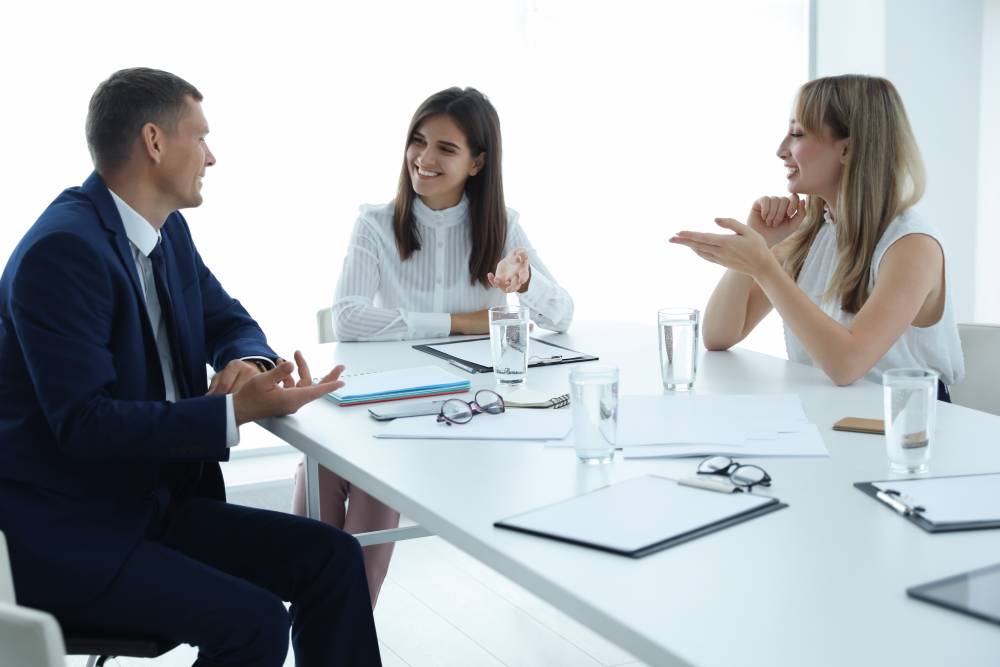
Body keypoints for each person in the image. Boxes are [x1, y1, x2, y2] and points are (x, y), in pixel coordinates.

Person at [0, 68, 381, 666]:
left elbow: (229, 320)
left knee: (332, 557)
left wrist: (246, 364)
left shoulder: (165, 230)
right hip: (74, 531)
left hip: (151, 504)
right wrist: (231, 413)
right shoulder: (64, 251)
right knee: (253, 623)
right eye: (200, 138)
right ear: (154, 142)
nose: (212, 156)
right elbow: (85, 426)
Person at [292, 87, 574, 606]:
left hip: (470, 413)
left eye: (445, 148)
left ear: (477, 162)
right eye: (418, 142)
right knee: (333, 463)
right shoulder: (375, 223)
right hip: (388, 407)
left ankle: (334, 632)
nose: (423, 159)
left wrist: (526, 281)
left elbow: (563, 316)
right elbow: (349, 317)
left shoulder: (503, 225)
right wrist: (458, 322)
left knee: (364, 473)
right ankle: (329, 630)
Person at [670, 74, 964, 395]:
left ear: (848, 150)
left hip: (909, 426)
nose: (781, 150)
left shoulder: (911, 245)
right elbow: (719, 335)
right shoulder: (811, 234)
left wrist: (763, 266)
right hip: (833, 413)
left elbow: (847, 365)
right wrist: (758, 243)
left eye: (797, 134)